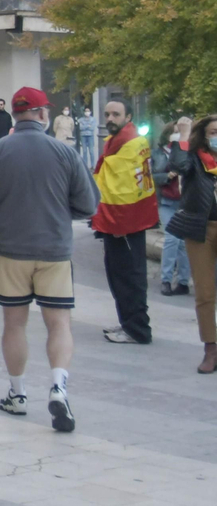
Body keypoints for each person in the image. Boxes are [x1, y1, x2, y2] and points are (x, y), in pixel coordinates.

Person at [0, 88, 97, 432]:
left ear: (16, 114)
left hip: (11, 252)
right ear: (41, 114)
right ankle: (59, 387)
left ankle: (17, 394)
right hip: (54, 252)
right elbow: (89, 205)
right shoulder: (64, 152)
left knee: (14, 324)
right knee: (59, 324)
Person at [93, 99, 155, 345]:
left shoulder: (128, 144)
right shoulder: (118, 142)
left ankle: (137, 329)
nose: (110, 118)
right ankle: (129, 322)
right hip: (121, 222)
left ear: (128, 117)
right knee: (119, 275)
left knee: (129, 276)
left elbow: (123, 189)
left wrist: (118, 223)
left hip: (124, 224)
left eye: (116, 114)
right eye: (107, 114)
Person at [168, 114, 217, 374]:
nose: (216, 136)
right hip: (201, 229)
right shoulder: (195, 158)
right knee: (205, 293)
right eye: (212, 132)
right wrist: (183, 137)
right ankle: (211, 348)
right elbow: (176, 165)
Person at [153, 119, 193, 296]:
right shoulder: (159, 153)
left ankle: (183, 281)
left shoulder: (189, 151)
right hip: (167, 202)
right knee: (172, 239)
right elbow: (153, 176)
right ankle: (166, 280)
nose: (179, 134)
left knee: (184, 243)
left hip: (185, 203)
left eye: (182, 131)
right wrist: (167, 176)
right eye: (176, 131)